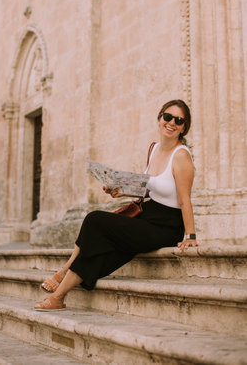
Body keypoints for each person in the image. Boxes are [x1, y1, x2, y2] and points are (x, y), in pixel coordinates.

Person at [35, 99, 198, 311]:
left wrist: (191, 236)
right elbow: (148, 188)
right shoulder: (154, 148)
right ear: (159, 119)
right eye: (168, 117)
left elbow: (185, 199)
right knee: (104, 249)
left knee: (94, 219)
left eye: (179, 120)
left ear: (184, 127)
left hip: (167, 226)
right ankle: (58, 297)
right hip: (148, 215)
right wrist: (119, 191)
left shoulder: (182, 156)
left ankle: (64, 270)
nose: (172, 122)